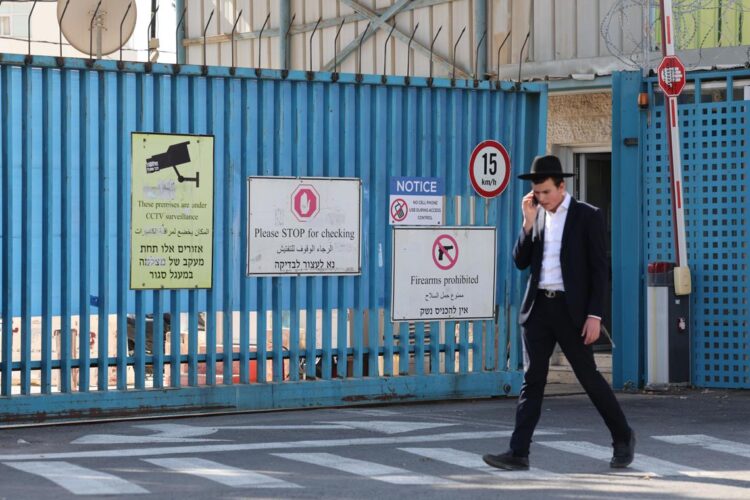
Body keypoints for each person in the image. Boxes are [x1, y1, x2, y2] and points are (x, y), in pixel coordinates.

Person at [483, 155, 635, 471]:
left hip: (572, 312)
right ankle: (518, 452)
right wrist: (526, 224)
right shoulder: (535, 216)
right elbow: (520, 261)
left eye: (546, 192)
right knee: (532, 380)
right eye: (537, 193)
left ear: (562, 186)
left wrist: (595, 315)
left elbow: (599, 270)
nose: (541, 198)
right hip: (538, 309)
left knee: (589, 378)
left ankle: (622, 438)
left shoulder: (587, 216)